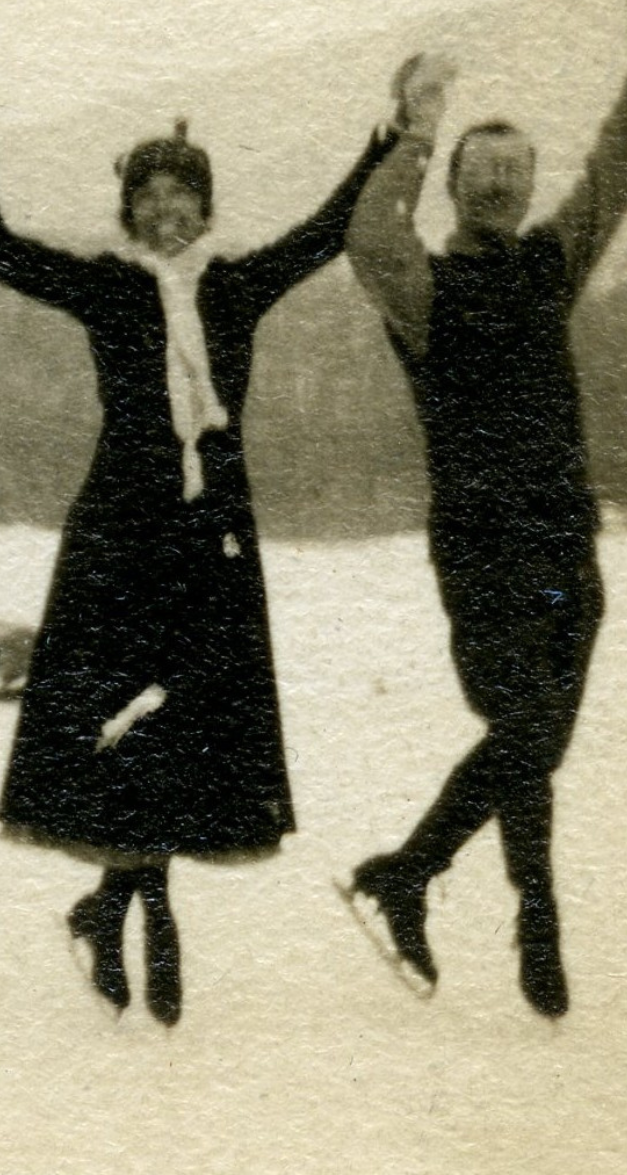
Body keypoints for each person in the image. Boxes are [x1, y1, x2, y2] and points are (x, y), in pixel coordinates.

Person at [0, 57, 394, 1025]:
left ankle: (112, 904)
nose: (164, 212)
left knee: (184, 722)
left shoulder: (235, 286)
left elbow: (329, 229)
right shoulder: (107, 288)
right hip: (119, 529)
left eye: (180, 195)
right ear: (128, 211)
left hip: (211, 531)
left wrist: (389, 137)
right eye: (147, 197)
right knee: (122, 718)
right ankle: (148, 907)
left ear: (205, 205)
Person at [343, 52, 623, 1017]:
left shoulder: (552, 262)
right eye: (482, 168)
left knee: (530, 740)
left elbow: (614, 169)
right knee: (526, 727)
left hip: (565, 538)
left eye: (516, 168)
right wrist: (417, 131)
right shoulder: (425, 287)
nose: (501, 181)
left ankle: (424, 879)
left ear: (532, 185)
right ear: (455, 186)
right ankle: (521, 913)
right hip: (482, 544)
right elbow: (369, 235)